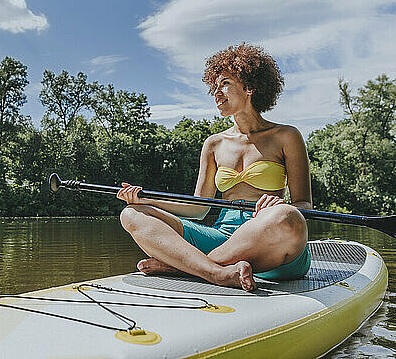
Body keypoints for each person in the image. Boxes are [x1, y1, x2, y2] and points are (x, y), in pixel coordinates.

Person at [117, 43, 312, 291]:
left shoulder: (286, 136)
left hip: (272, 245)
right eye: (215, 86)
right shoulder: (214, 144)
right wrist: (147, 199)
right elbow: (198, 209)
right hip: (222, 238)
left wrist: (280, 206)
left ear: (249, 87)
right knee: (132, 213)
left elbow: (304, 205)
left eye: (225, 84)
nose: (216, 93)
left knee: (287, 217)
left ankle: (184, 266)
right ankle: (217, 273)